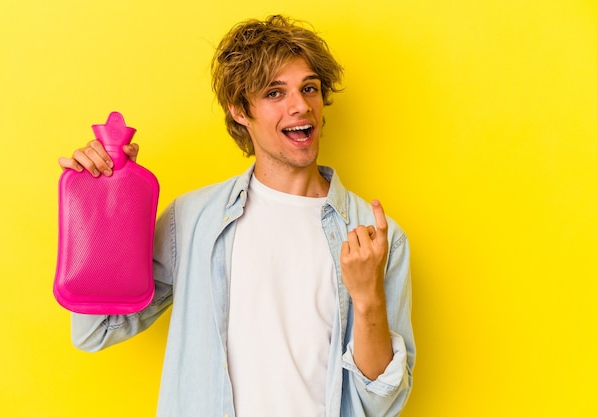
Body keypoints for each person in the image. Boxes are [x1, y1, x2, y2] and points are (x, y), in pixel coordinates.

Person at [59, 15, 415, 417]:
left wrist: (367, 298)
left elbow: (383, 402)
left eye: (309, 88)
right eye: (275, 93)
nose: (300, 106)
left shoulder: (376, 236)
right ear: (240, 111)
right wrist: (107, 203)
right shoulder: (192, 221)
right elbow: (95, 330)